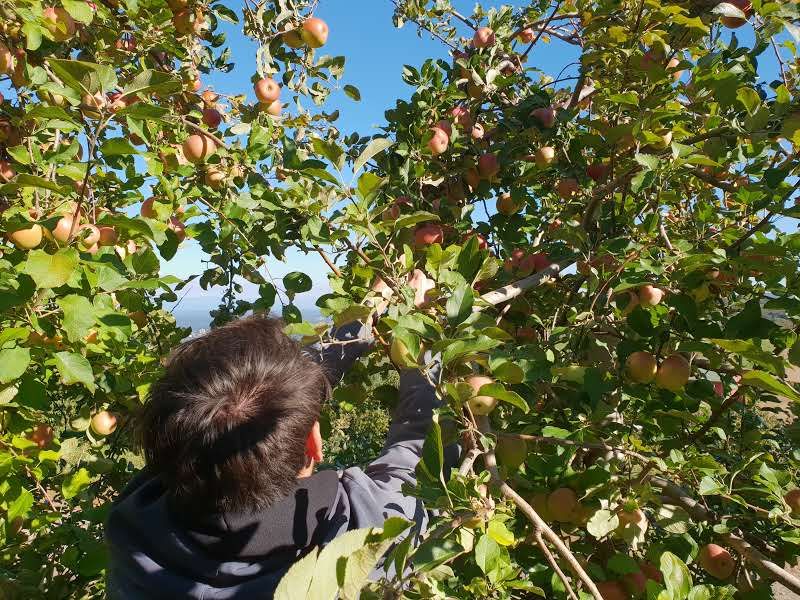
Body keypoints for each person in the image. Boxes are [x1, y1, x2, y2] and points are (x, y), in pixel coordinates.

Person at [105, 271, 453, 598]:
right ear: (313, 442)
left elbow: (254, 397)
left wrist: (364, 315)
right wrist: (421, 341)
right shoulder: (359, 531)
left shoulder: (133, 527)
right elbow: (416, 449)